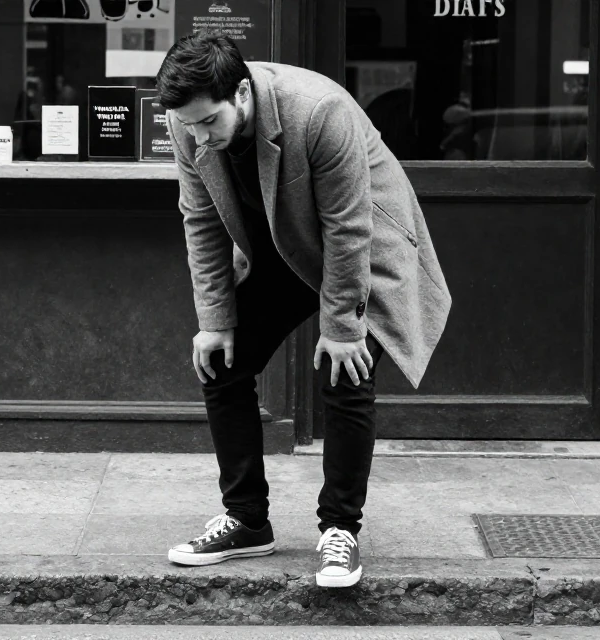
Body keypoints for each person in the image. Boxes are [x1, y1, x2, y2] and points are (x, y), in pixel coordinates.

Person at [156, 32, 452, 588]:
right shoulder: (186, 120)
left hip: (363, 244)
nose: (199, 136)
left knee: (344, 371)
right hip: (280, 245)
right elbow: (200, 222)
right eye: (190, 126)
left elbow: (348, 227)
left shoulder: (320, 111)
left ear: (241, 93)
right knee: (223, 361)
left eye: (209, 123)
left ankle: (340, 531)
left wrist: (342, 327)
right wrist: (215, 321)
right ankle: (246, 520)